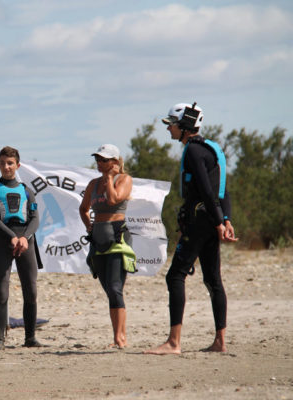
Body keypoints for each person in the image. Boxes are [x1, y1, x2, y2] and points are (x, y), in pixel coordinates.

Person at [145, 102, 237, 355]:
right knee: (212, 279)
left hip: (200, 221)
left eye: (171, 125)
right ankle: (220, 341)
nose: (169, 129)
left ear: (184, 126)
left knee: (175, 275)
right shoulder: (213, 148)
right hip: (210, 219)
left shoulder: (194, 152)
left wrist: (219, 222)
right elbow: (222, 190)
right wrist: (225, 218)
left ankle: (174, 342)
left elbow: (208, 191)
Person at [0, 146, 43, 351]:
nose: (6, 167)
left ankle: (30, 337)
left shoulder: (26, 190)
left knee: (31, 291)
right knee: (2, 292)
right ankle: (0, 339)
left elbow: (35, 218)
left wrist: (25, 237)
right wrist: (11, 237)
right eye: (2, 163)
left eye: (10, 163)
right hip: (3, 241)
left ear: (17, 165)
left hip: (26, 241)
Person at [79, 144, 134, 349]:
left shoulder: (124, 180)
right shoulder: (93, 184)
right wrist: (89, 227)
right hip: (98, 238)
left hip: (117, 237)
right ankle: (117, 336)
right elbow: (84, 208)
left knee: (115, 287)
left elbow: (112, 199)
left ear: (115, 161)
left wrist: (110, 178)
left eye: (104, 160)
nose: (99, 163)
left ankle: (121, 338)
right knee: (108, 289)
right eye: (98, 159)